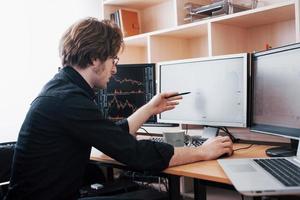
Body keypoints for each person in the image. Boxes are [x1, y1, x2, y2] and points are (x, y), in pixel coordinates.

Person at [5, 18, 233, 200]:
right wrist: (203, 151)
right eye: (114, 60)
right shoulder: (68, 101)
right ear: (95, 59)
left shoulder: (62, 90)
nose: (115, 69)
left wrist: (149, 108)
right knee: (153, 196)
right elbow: (135, 154)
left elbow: (111, 136)